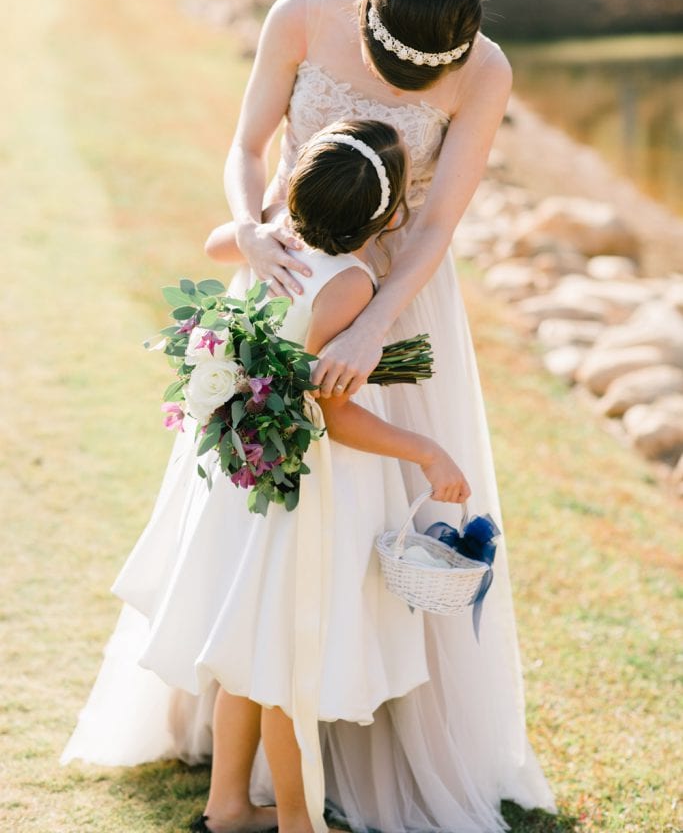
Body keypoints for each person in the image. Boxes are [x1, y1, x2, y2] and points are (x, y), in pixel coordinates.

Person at [63, 120, 473, 833]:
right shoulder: (348, 284)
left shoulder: (275, 237)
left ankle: (226, 809)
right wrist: (425, 451)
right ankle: (296, 823)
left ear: (297, 186)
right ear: (385, 216)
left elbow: (220, 244)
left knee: (246, 649)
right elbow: (337, 416)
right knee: (284, 663)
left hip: (242, 479)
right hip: (298, 492)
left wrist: (261, 224)